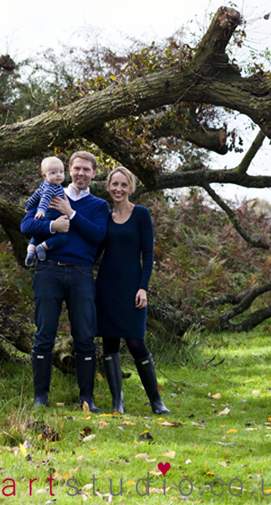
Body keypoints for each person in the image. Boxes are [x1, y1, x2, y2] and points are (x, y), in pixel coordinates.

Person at [20, 151, 109, 411]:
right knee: (44, 334)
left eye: (87, 169)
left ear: (94, 173)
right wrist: (51, 227)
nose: (81, 173)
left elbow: (98, 235)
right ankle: (40, 398)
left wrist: (71, 214)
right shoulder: (50, 193)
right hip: (49, 270)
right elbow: (26, 225)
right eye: (77, 168)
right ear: (69, 170)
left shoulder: (99, 205)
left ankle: (87, 399)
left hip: (81, 273)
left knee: (84, 336)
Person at [95, 166, 170, 415]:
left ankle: (156, 401)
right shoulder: (103, 216)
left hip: (132, 288)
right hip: (106, 287)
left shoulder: (141, 214)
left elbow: (148, 256)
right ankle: (118, 402)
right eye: (114, 184)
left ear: (131, 188)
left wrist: (143, 288)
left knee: (136, 342)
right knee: (110, 344)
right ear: (108, 186)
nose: (118, 189)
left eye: (123, 185)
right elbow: (94, 253)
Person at [24, 156, 67, 267]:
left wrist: (28, 206)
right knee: (62, 237)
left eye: (61, 172)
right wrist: (41, 209)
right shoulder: (51, 187)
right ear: (44, 175)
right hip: (52, 214)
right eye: (53, 173)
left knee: (37, 236)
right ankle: (42, 247)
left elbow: (35, 196)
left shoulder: (43, 185)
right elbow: (45, 199)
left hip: (44, 216)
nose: (58, 175)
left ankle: (30, 251)